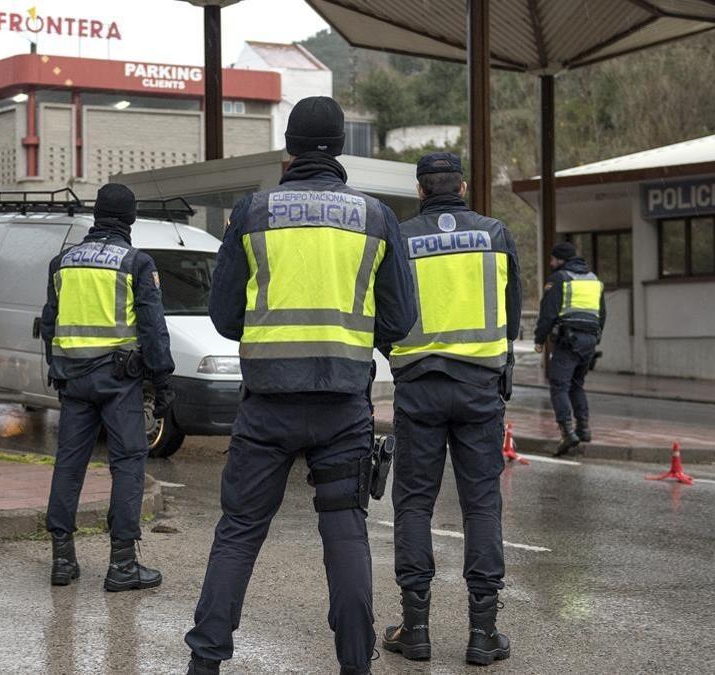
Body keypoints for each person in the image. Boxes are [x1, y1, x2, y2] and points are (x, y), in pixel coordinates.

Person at [184, 96, 417, 675]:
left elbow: (223, 314)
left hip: (267, 404)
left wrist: (270, 335)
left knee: (238, 532)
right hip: (343, 404)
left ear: (289, 146)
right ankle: (354, 665)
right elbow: (399, 317)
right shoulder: (375, 216)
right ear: (340, 146)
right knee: (346, 536)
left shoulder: (253, 211)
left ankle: (206, 662)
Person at [380, 152, 520, 666]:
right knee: (481, 504)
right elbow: (512, 312)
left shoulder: (401, 236)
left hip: (419, 387)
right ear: (462, 186)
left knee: (414, 504)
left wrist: (397, 359)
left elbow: (385, 312)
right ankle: (483, 635)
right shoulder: (495, 234)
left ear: (420, 190)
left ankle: (415, 630)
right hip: (481, 388)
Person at [40, 183, 176, 589]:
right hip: (119, 382)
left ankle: (62, 561)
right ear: (130, 218)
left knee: (69, 465)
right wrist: (162, 380)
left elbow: (50, 324)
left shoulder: (62, 262)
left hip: (73, 380)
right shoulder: (136, 263)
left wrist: (59, 366)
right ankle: (122, 567)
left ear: (97, 215)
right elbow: (152, 329)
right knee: (128, 465)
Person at [533, 241, 606, 456]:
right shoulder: (594, 280)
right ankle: (583, 428)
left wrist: (539, 339)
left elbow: (548, 313)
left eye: (553, 259)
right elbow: (602, 315)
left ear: (561, 260)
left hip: (568, 340)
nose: (550, 262)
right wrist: (595, 338)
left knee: (559, 385)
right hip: (589, 341)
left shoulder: (559, 279)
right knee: (577, 385)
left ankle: (567, 432)